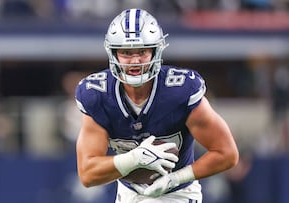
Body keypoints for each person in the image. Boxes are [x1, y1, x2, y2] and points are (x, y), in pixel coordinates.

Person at [75, 8, 239, 203]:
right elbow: (87, 173)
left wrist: (175, 179)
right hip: (128, 194)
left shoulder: (180, 91)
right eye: (126, 52)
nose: (135, 61)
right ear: (113, 53)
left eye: (142, 51)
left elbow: (227, 154)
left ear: (156, 51)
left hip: (178, 193)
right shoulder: (98, 95)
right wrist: (134, 159)